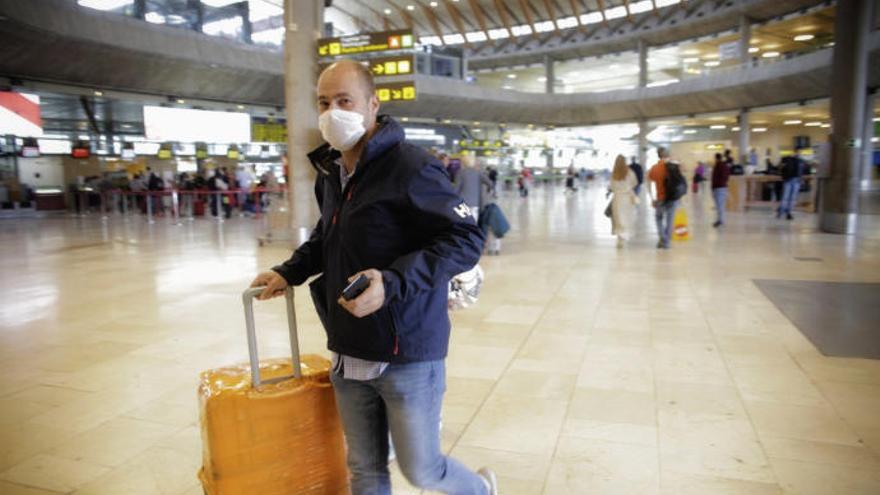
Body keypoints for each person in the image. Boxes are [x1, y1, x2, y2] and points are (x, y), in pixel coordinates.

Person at [248, 60, 497, 495]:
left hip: (407, 352)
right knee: (364, 468)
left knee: (421, 470)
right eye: (323, 102)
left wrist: (392, 281)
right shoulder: (331, 173)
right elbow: (329, 237)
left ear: (372, 104)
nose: (332, 112)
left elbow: (465, 239)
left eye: (344, 101)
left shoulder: (411, 166)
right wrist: (287, 272)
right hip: (348, 347)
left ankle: (480, 489)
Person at [647, 147, 679, 249]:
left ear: (658, 155)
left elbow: (649, 184)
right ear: (668, 155)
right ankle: (666, 242)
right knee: (670, 220)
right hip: (673, 198)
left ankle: (663, 238)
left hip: (660, 198)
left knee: (658, 218)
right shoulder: (674, 167)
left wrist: (652, 198)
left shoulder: (654, 168)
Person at [608, 155, 638, 247]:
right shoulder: (630, 172)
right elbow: (635, 183)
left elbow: (612, 187)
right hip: (627, 197)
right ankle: (625, 235)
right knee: (627, 217)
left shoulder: (613, 174)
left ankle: (620, 237)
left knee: (618, 218)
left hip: (617, 198)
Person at [454, 153, 492, 222]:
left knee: (463, 224)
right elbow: (490, 183)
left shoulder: (460, 173)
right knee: (473, 224)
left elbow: (456, 189)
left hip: (462, 204)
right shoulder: (478, 172)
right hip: (475, 204)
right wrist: (488, 191)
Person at [778, 151, 803, 220]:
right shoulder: (798, 161)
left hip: (790, 180)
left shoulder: (787, 159)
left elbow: (780, 168)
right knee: (791, 197)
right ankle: (786, 211)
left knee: (786, 197)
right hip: (793, 180)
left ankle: (784, 211)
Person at [711, 152, 730, 228]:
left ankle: (720, 220)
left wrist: (713, 187)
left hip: (718, 188)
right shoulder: (724, 165)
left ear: (716, 158)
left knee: (719, 205)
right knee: (720, 205)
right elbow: (727, 175)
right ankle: (720, 220)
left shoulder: (718, 165)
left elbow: (715, 178)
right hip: (723, 187)